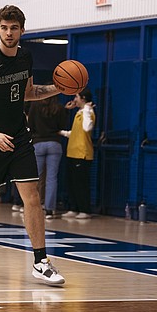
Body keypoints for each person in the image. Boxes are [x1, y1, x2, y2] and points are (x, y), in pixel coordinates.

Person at [0, 5, 65, 285]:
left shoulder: (25, 57)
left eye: (14, 28)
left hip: (20, 137)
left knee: (32, 196)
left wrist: (58, 88)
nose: (9, 33)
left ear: (21, 30)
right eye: (4, 28)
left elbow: (29, 93)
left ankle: (41, 261)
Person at [28, 96, 69, 219]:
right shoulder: (59, 108)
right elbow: (62, 125)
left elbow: (30, 124)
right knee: (52, 178)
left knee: (36, 178)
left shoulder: (35, 106)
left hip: (38, 143)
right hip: (54, 143)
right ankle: (50, 210)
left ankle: (34, 207)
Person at [60, 88, 96, 219]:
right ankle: (73, 208)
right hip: (72, 152)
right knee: (72, 183)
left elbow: (87, 128)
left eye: (77, 97)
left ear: (83, 99)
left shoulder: (89, 112)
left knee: (81, 184)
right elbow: (75, 133)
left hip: (82, 154)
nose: (75, 100)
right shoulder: (79, 113)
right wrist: (62, 132)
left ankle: (85, 210)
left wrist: (87, 109)